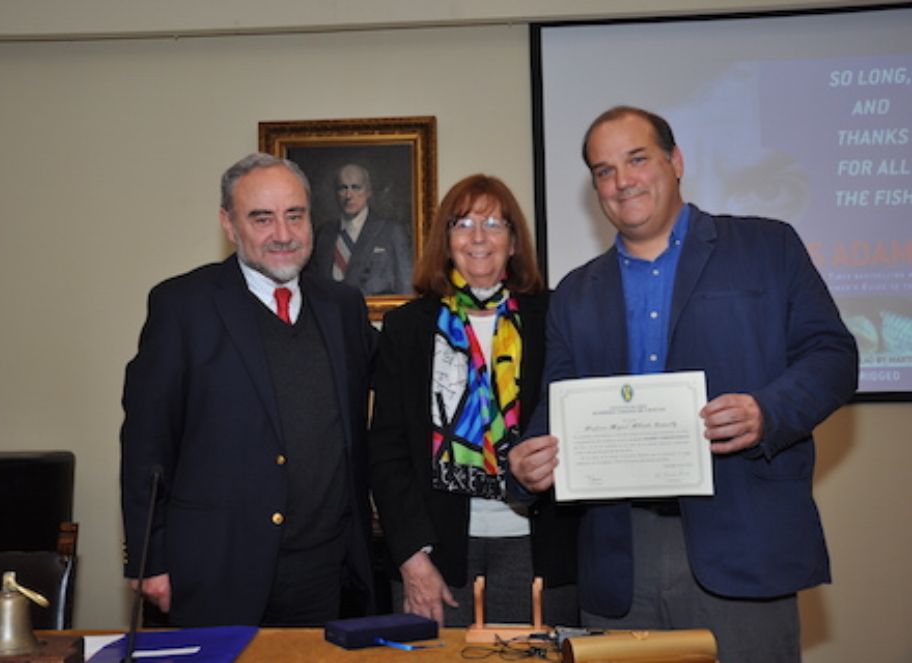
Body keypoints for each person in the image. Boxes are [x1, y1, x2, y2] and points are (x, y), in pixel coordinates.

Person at [509, 107, 857, 663]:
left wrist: (767, 411)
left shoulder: (767, 249)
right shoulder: (575, 292)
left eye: (637, 159)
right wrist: (527, 465)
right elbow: (557, 403)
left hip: (742, 541)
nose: (621, 181)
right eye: (603, 170)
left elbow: (834, 356)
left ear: (676, 163)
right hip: (619, 560)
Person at [120, 153, 376, 627]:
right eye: (262, 218)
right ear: (229, 225)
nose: (282, 233)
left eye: (294, 215)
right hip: (216, 572)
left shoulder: (342, 307)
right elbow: (145, 442)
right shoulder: (182, 307)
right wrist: (147, 557)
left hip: (330, 574)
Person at [370, 174, 579, 628]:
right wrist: (411, 556)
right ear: (445, 241)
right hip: (437, 554)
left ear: (514, 241)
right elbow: (386, 452)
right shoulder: (407, 328)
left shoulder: (555, 315)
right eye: (463, 224)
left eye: (493, 223)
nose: (479, 237)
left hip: (538, 546)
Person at [307, 163, 413, 296]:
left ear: (368, 192)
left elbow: (406, 287)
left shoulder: (391, 232)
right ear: (335, 193)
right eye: (343, 188)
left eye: (356, 188)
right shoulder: (323, 234)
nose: (349, 195)